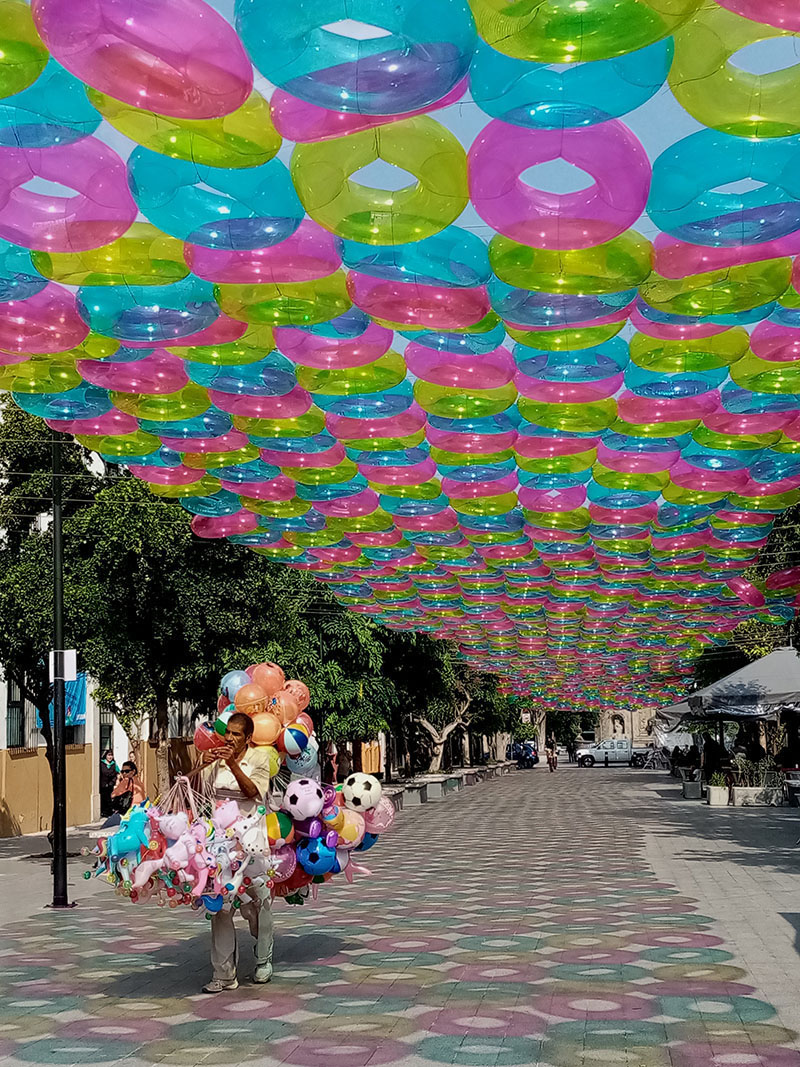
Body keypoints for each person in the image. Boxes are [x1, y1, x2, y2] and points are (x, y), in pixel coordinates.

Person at [196, 712, 276, 994]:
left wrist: (232, 764)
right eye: (227, 732)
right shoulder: (214, 761)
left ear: (248, 738)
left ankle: (263, 957)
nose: (229, 738)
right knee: (220, 907)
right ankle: (224, 974)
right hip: (221, 847)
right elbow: (199, 796)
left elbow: (254, 792)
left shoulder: (259, 759)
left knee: (259, 905)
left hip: (252, 844)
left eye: (236, 734)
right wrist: (201, 766)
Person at [99, 750, 118, 817]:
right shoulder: (101, 764)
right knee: (103, 798)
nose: (110, 757)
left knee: (109, 798)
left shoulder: (113, 764)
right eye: (109, 755)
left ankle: (109, 812)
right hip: (102, 785)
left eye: (111, 755)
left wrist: (112, 782)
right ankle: (103, 812)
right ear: (106, 756)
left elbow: (116, 773)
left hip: (110, 785)